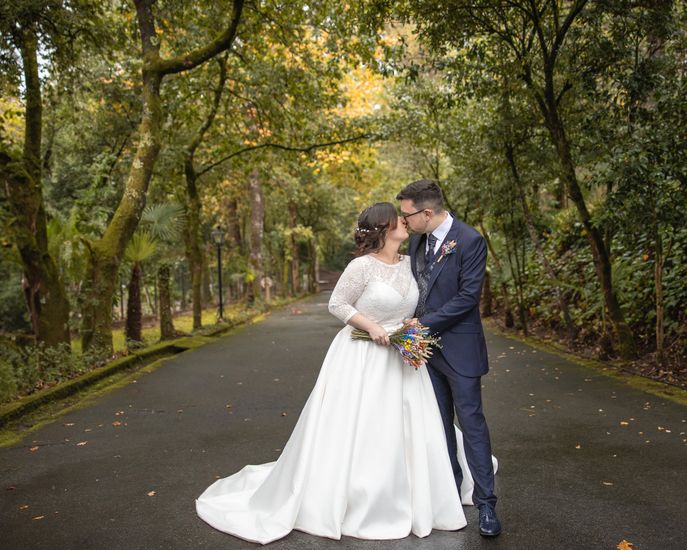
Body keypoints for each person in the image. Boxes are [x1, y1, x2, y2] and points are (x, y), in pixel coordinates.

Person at [195, 202, 472, 544]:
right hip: (362, 356)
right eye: (397, 219)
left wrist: (409, 328)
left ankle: (413, 492)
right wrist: (371, 326)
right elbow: (337, 304)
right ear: (383, 229)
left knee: (407, 425)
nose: (404, 221)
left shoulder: (410, 262)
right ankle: (356, 496)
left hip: (401, 355)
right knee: (361, 426)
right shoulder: (361, 267)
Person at [397, 180, 502, 537]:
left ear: (427, 212)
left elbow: (467, 297)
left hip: (460, 349)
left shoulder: (470, 240)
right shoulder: (416, 241)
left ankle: (487, 505)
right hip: (424, 354)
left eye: (407, 214)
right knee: (438, 427)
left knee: (471, 425)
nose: (404, 220)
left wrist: (419, 326)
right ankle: (452, 495)